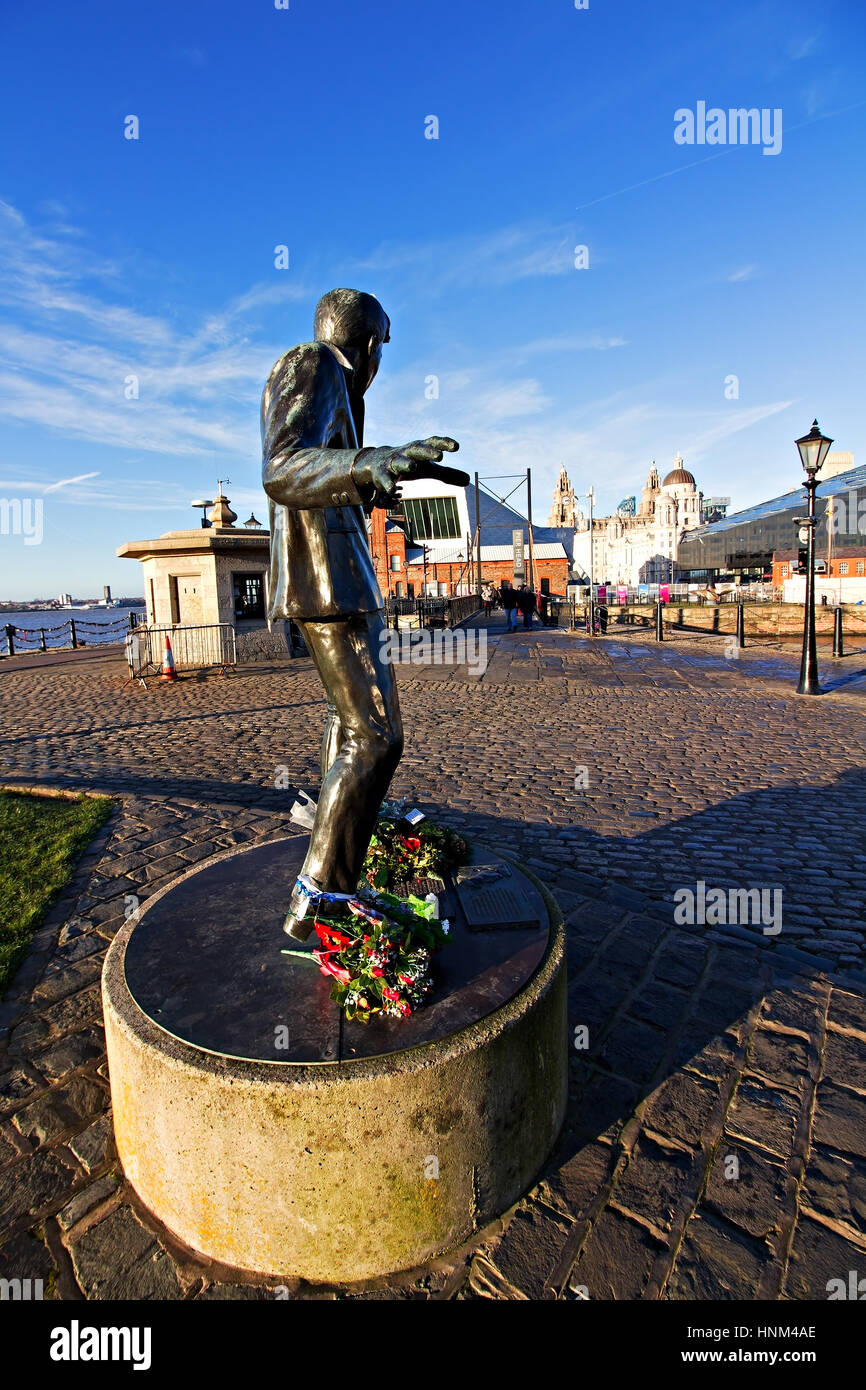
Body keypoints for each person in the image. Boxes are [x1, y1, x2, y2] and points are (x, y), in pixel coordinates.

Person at [261, 287, 467, 939]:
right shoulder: (314, 363)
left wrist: (374, 486)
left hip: (339, 580)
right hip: (333, 584)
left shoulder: (338, 387)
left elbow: (318, 475)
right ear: (371, 342)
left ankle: (343, 853)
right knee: (378, 735)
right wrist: (365, 463)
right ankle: (322, 896)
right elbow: (283, 467)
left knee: (347, 729)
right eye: (384, 347)